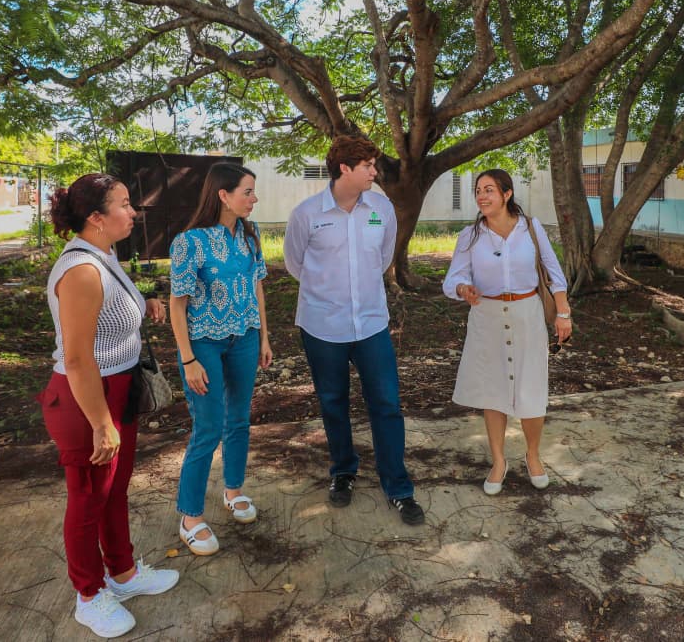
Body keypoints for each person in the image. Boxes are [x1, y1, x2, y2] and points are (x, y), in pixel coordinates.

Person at [41, 173, 178, 638]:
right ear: (96, 218)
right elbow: (78, 358)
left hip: (119, 389)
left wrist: (146, 305)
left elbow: (110, 316)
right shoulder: (81, 270)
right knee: (87, 498)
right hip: (85, 399)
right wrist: (101, 422)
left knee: (114, 489)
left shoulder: (104, 255)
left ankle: (122, 572)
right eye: (123, 204)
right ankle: (88, 594)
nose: (133, 211)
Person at [283, 136, 425, 525]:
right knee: (333, 402)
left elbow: (382, 259)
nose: (375, 172)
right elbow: (295, 264)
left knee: (387, 404)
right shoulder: (307, 214)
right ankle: (343, 471)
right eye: (368, 166)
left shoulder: (380, 208)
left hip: (371, 324)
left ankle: (397, 486)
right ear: (345, 168)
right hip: (322, 326)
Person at [441, 169, 572, 495]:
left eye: (489, 190)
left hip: (527, 315)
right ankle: (498, 461)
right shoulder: (469, 236)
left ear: (507, 194)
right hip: (487, 319)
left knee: (531, 389)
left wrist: (563, 314)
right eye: (478, 191)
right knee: (493, 391)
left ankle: (532, 455)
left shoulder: (531, 228)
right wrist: (462, 288)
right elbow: (450, 280)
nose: (482, 196)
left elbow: (555, 275)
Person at [168, 162, 273, 556]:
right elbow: (177, 307)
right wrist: (189, 358)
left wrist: (263, 336)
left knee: (239, 419)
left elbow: (257, 287)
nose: (254, 199)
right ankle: (190, 516)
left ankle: (233, 491)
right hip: (203, 344)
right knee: (208, 427)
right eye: (247, 191)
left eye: (253, 192)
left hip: (244, 338)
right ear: (223, 196)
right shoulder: (188, 242)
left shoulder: (251, 234)